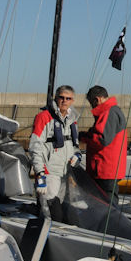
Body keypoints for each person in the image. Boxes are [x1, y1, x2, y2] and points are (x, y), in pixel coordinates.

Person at [29, 85, 82, 221]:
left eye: (68, 98)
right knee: (52, 213)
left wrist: (77, 155)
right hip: (49, 173)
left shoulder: (73, 120)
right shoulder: (43, 117)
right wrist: (40, 174)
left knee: (64, 213)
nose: (64, 101)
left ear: (72, 101)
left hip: (65, 175)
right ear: (56, 98)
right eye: (61, 97)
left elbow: (74, 146)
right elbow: (35, 146)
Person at [82, 86, 127, 203]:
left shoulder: (109, 112)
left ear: (97, 99)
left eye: (91, 103)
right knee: (104, 203)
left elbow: (102, 139)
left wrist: (84, 137)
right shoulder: (112, 111)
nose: (92, 106)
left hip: (105, 169)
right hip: (106, 168)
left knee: (106, 206)